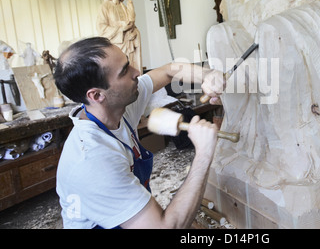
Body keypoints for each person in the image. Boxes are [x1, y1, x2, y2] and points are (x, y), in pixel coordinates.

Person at [53, 37, 224, 229]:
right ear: (97, 95)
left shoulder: (117, 107)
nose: (137, 72)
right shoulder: (93, 160)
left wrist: (208, 75)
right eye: (125, 71)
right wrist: (203, 154)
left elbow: (168, 71)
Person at [97, 0, 142, 74]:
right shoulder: (104, 7)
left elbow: (132, 25)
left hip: (128, 44)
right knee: (120, 72)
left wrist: (134, 33)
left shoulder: (123, 7)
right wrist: (121, 29)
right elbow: (101, 29)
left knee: (130, 69)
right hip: (115, 45)